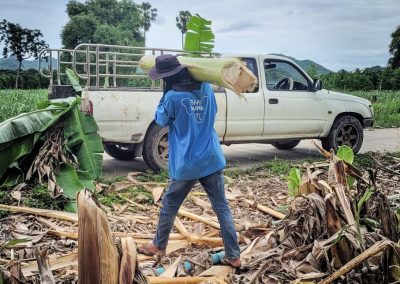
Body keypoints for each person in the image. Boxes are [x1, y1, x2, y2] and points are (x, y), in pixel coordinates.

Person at [137, 54, 241, 268]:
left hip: (187, 164)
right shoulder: (206, 89)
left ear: (167, 78)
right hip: (211, 158)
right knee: (222, 207)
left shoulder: (172, 97)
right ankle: (233, 255)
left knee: (169, 205)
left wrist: (164, 96)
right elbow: (213, 112)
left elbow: (160, 120)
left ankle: (159, 245)